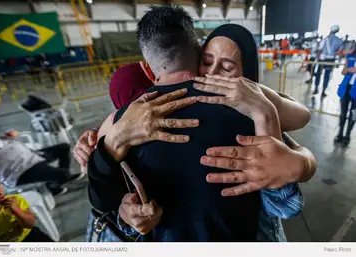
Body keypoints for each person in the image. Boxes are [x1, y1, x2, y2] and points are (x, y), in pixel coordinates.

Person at [86, 7, 315, 242]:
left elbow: (104, 202)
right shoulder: (248, 113)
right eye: (208, 62)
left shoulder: (123, 123)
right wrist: (304, 160)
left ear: (147, 66)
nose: (214, 74)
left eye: (227, 68)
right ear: (198, 51)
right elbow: (288, 204)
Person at [0, 125, 79, 195]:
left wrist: (6, 136)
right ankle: (52, 186)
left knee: (63, 148)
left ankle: (57, 181)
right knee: (62, 174)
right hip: (20, 169)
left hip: (31, 155)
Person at [0, 175, 53, 242]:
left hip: (29, 236)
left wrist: (17, 210)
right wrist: (10, 235)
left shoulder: (15, 200)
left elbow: (30, 224)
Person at [335, 41, 356, 146]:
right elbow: (343, 71)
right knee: (343, 113)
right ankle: (340, 134)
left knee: (353, 115)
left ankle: (347, 136)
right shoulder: (350, 56)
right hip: (346, 88)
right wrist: (349, 69)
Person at [313, 25, 343, 97]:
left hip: (322, 59)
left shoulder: (325, 39)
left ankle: (316, 88)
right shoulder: (339, 41)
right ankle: (323, 91)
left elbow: (319, 50)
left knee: (318, 74)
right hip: (330, 60)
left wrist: (317, 59)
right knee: (327, 75)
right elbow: (340, 52)